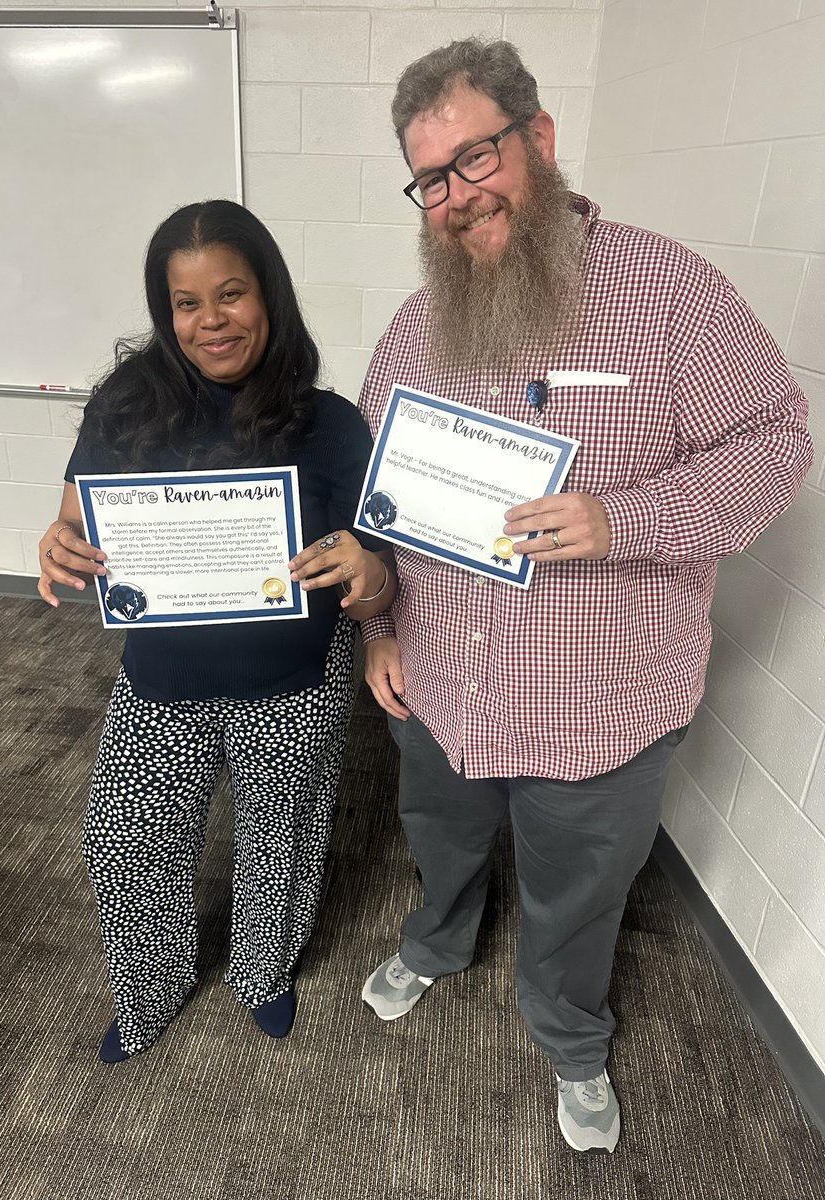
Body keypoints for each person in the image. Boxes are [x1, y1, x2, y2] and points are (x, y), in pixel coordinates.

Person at [357, 39, 813, 1153]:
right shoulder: (420, 326)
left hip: (598, 700)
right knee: (441, 836)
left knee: (577, 892)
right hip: (445, 685)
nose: (459, 199)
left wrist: (623, 519)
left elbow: (777, 441)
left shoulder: (667, 292)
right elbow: (376, 490)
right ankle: (438, 940)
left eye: (477, 158)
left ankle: (569, 1034)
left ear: (540, 139)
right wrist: (376, 624)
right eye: (432, 180)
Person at [38, 200, 395, 1061]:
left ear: (268, 296)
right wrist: (58, 545)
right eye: (187, 304)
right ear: (166, 314)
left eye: (231, 294)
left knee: (283, 835)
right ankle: (150, 985)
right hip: (165, 672)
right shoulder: (123, 405)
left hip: (294, 674)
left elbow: (381, 583)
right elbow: (73, 519)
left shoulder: (332, 422)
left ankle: (262, 972)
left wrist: (369, 574)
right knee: (125, 841)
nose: (211, 321)